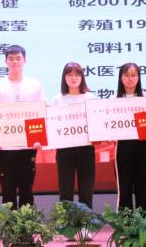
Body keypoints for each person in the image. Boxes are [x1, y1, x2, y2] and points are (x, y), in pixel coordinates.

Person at [0, 44, 44, 208]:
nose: (14, 62)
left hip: (28, 146)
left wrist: (38, 138)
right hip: (5, 147)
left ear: (25, 60)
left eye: (18, 58)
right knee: (7, 191)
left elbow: (40, 113)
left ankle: (27, 224)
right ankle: (9, 224)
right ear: (5, 61)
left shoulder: (35, 85)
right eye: (11, 59)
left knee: (27, 190)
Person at [51, 62, 96, 208]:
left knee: (86, 189)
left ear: (82, 77)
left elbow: (96, 123)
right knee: (65, 190)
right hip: (64, 150)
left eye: (77, 75)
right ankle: (66, 221)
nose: (73, 78)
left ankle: (86, 220)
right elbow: (53, 125)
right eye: (69, 75)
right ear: (64, 78)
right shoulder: (58, 99)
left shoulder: (90, 98)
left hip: (86, 149)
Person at [114, 62, 146, 211]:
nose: (130, 78)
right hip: (123, 146)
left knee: (144, 184)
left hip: (143, 145)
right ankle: (126, 221)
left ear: (138, 77)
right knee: (124, 186)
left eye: (133, 75)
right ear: (121, 77)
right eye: (126, 75)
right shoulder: (114, 99)